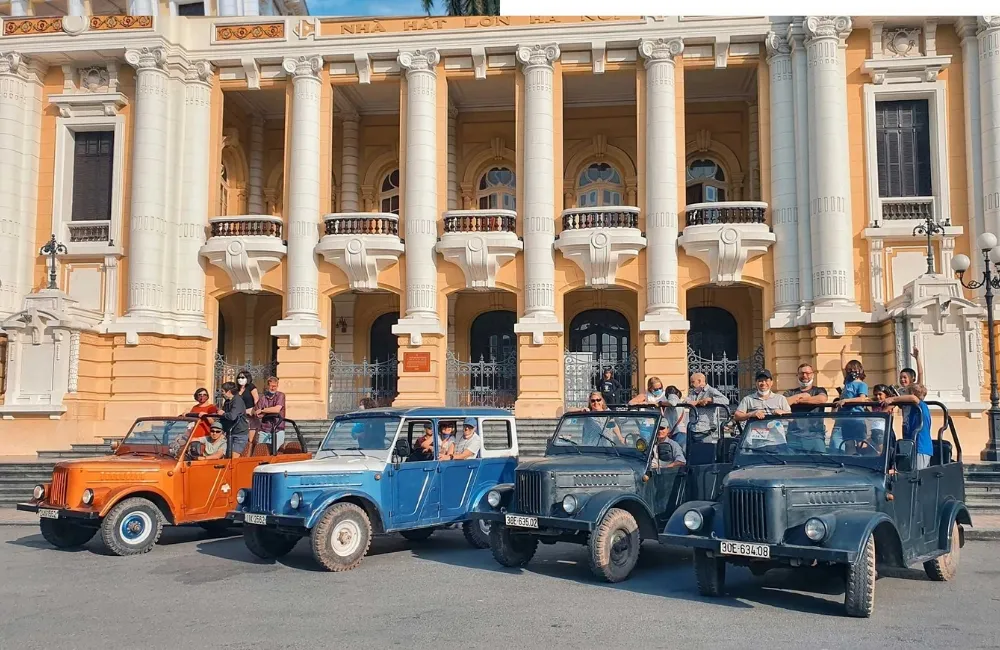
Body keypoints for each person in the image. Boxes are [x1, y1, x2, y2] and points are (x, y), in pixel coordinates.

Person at [883, 383, 934, 469]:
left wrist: (892, 399)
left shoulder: (921, 405)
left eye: (906, 394)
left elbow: (913, 398)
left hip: (920, 447)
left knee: (917, 474)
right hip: (913, 446)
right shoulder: (913, 408)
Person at [783, 363, 829, 452]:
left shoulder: (819, 390)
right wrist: (803, 395)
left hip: (816, 436)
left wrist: (797, 400)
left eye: (808, 373)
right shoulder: (790, 392)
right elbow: (784, 402)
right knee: (791, 465)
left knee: (823, 463)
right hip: (794, 437)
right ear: (797, 375)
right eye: (802, 373)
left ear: (813, 375)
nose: (804, 376)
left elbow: (822, 399)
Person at [833, 352, 869, 452]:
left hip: (857, 417)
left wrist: (846, 400)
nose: (851, 372)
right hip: (845, 417)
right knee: (848, 443)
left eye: (854, 370)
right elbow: (843, 368)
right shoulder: (847, 382)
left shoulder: (862, 385)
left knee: (860, 443)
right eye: (849, 370)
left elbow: (862, 399)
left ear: (859, 370)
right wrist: (842, 354)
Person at [685, 372, 730, 443]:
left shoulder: (711, 391)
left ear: (699, 381)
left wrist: (711, 400)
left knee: (706, 450)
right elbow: (686, 402)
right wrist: (699, 402)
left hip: (706, 430)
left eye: (693, 382)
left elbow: (726, 400)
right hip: (693, 428)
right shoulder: (693, 392)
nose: (691, 384)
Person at [254, 376, 286, 451]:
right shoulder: (263, 398)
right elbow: (257, 414)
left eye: (275, 386)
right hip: (265, 429)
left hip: (277, 428)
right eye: (271, 386)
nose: (272, 388)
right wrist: (266, 411)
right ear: (267, 386)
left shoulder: (281, 395)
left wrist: (263, 410)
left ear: (277, 386)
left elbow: (277, 409)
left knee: (275, 452)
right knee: (261, 451)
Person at [219, 381, 250, 457]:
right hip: (230, 432)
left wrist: (223, 413)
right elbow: (224, 417)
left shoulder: (237, 400)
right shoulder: (227, 402)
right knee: (226, 455)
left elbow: (232, 416)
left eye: (223, 391)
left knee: (234, 457)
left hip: (240, 433)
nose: (222, 393)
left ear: (229, 391)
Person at [235, 370, 260, 450]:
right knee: (242, 438)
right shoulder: (236, 389)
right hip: (240, 416)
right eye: (239, 377)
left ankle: (251, 454)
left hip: (250, 414)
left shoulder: (251, 387)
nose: (240, 379)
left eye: (242, 377)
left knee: (251, 439)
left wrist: (254, 410)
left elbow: (256, 400)